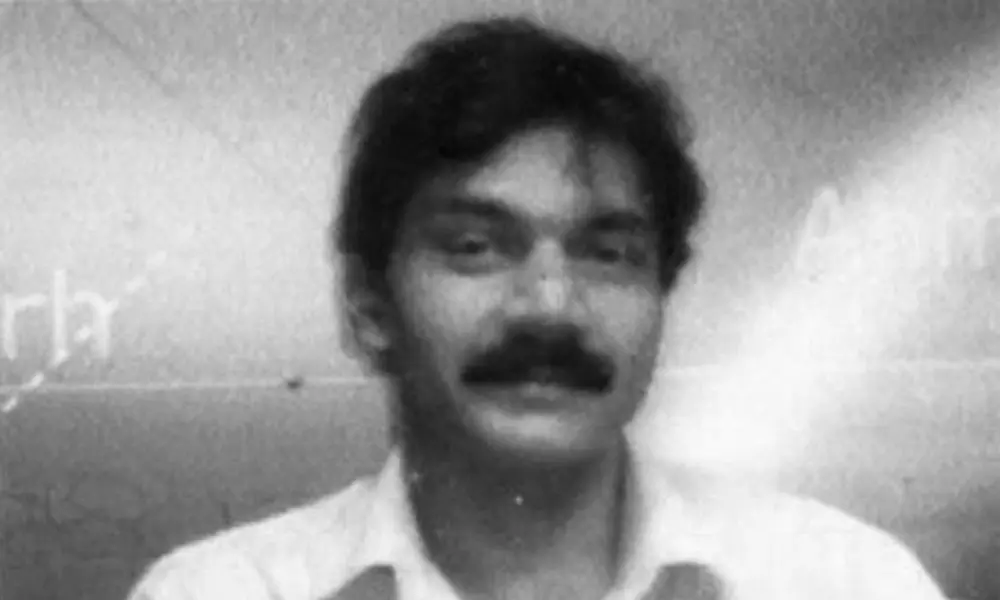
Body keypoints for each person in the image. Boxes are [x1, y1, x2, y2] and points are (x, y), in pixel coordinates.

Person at [126, 15, 947, 600]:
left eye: (607, 253)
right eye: (476, 247)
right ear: (368, 305)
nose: (551, 305)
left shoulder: (842, 582)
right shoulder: (221, 592)